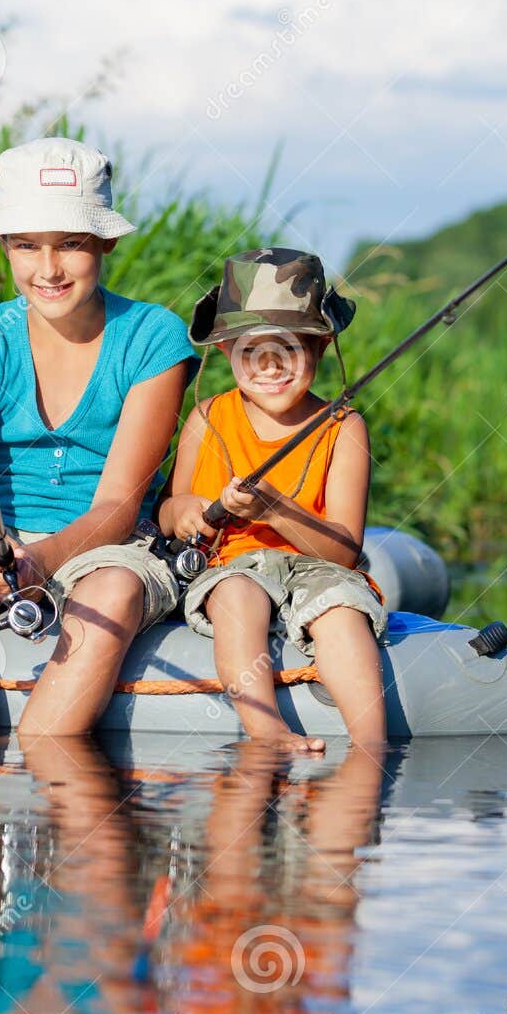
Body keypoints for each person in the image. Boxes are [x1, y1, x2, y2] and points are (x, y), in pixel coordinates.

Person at [0, 137, 194, 735]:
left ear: (106, 242)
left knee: (116, 588)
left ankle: (46, 749)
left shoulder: (154, 338)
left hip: (102, 546)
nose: (47, 268)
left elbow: (120, 505)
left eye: (70, 244)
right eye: (27, 245)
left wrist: (41, 561)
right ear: (5, 247)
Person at [159, 248, 385, 752]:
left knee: (342, 612)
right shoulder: (208, 419)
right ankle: (267, 734)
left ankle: (373, 746)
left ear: (322, 347)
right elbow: (173, 512)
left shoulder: (344, 429)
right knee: (237, 597)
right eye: (250, 349)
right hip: (232, 565)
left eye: (291, 347)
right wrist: (191, 512)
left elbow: (343, 553)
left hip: (316, 567)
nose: (270, 364)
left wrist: (274, 510)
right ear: (224, 353)